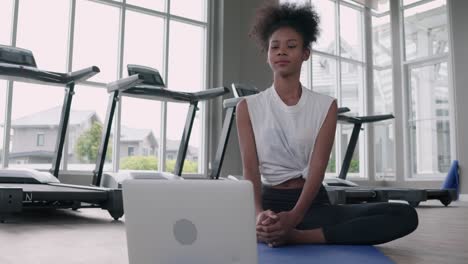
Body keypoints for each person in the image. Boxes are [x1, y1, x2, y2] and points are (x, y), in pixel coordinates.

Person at [236, 1, 418, 248]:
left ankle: (301, 237)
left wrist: (294, 220)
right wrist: (258, 216)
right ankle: (275, 230)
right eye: (274, 47)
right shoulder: (247, 107)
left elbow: (317, 170)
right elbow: (250, 171)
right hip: (269, 204)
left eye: (291, 46)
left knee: (405, 215)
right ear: (267, 55)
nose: (281, 52)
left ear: (305, 54)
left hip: (310, 205)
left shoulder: (325, 106)